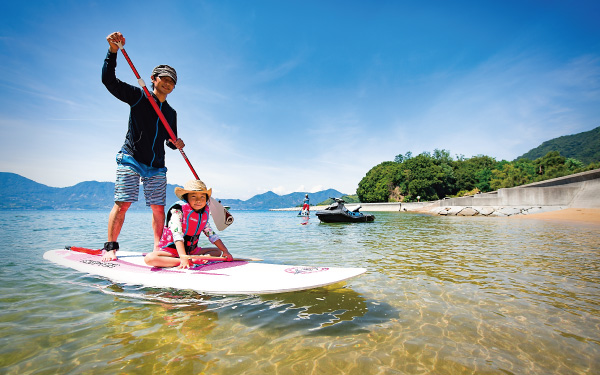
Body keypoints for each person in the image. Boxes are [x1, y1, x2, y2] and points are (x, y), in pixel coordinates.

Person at [101, 31, 185, 261]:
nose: (167, 83)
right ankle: (110, 247)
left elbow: (169, 140)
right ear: (153, 78)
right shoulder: (139, 96)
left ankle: (158, 248)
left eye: (172, 82)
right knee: (124, 203)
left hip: (157, 165)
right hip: (131, 157)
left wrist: (176, 143)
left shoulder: (171, 112)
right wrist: (113, 52)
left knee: (159, 208)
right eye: (164, 78)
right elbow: (109, 81)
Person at [144, 179, 233, 268]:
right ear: (186, 198)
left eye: (202, 197)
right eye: (194, 196)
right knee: (150, 258)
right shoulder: (177, 212)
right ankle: (186, 261)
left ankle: (194, 259)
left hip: (192, 251)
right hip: (172, 251)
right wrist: (183, 257)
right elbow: (177, 234)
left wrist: (225, 251)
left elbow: (212, 235)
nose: (198, 200)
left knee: (217, 251)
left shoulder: (202, 214)